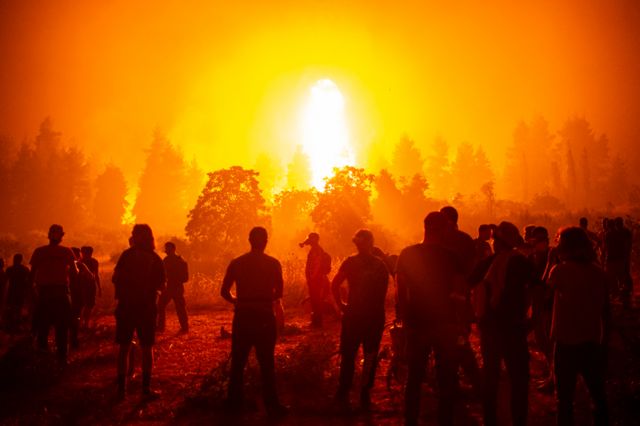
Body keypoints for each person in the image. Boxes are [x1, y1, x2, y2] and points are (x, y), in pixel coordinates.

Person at [397, 211, 461, 426]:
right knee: (446, 380)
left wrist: (405, 322)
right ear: (442, 230)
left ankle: (411, 421)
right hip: (445, 324)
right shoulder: (451, 257)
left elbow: (400, 292)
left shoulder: (408, 254)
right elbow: (458, 292)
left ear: (425, 227)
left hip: (417, 323)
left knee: (414, 378)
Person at [221, 227, 288, 417]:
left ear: (249, 240)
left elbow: (224, 291)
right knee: (267, 364)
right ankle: (272, 406)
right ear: (266, 241)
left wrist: (238, 301)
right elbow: (279, 292)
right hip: (265, 317)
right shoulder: (273, 264)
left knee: (238, 364)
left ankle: (233, 405)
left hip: (243, 317)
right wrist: (264, 298)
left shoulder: (237, 263)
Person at [472, 222, 533, 426]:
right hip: (514, 327)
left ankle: (491, 418)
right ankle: (518, 419)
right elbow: (538, 288)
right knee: (519, 378)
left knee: (491, 375)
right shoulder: (522, 263)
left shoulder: (488, 264)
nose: (493, 242)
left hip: (491, 328)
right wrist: (532, 319)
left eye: (495, 239)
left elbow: (468, 282)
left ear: (500, 241)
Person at [548, 227, 610, 425]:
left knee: (564, 400)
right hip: (592, 340)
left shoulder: (560, 271)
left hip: (566, 342)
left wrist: (550, 263)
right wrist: (605, 341)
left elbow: (542, 295)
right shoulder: (598, 272)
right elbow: (606, 311)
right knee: (598, 396)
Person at [332, 229, 389, 411]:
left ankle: (343, 391)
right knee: (370, 354)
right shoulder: (380, 265)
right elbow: (382, 294)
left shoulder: (350, 262)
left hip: (354, 315)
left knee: (349, 354)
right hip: (373, 316)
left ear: (356, 243)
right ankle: (364, 391)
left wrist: (342, 305)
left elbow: (334, 284)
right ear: (371, 243)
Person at [112, 224, 166, 399]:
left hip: (126, 306)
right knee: (146, 347)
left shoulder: (126, 255)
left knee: (124, 347)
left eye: (134, 234)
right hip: (146, 308)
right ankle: (145, 388)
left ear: (137, 237)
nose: (133, 236)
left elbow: (115, 278)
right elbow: (162, 285)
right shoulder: (154, 258)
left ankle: (122, 389)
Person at [440, 206, 481, 395]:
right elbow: (474, 268)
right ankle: (459, 377)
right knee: (457, 336)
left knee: (457, 337)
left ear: (449, 220)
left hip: (450, 296)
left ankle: (466, 377)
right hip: (458, 295)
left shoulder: (446, 240)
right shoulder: (464, 239)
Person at [29, 224, 78, 366]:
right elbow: (75, 274)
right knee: (62, 328)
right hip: (60, 293)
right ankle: (62, 359)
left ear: (48, 235)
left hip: (44, 294)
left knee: (42, 327)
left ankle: (43, 357)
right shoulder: (67, 252)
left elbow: (32, 275)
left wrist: (33, 293)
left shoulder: (39, 251)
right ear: (62, 236)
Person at [528, 226, 554, 392]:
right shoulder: (531, 257)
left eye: (541, 240)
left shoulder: (553, 256)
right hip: (537, 302)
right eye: (535, 240)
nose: (538, 243)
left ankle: (553, 377)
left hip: (550, 303)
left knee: (550, 339)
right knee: (541, 338)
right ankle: (551, 373)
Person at [300, 232, 331, 327]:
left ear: (314, 240)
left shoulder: (317, 251)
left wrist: (312, 279)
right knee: (315, 301)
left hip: (316, 280)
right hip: (316, 279)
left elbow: (317, 265)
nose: (308, 240)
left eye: (311, 239)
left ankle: (317, 323)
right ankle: (316, 322)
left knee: (316, 301)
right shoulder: (315, 249)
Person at [157, 242, 189, 333]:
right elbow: (186, 278)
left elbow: (162, 276)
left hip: (171, 287)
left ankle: (161, 327)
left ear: (173, 249)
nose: (166, 250)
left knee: (161, 306)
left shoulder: (167, 261)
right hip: (176, 287)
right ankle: (184, 328)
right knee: (180, 308)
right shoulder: (181, 260)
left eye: (167, 248)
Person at [4, 254, 30, 333]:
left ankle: (11, 325)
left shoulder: (9, 269)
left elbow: (5, 280)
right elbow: (28, 280)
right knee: (18, 308)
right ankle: (16, 325)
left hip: (12, 290)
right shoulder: (25, 269)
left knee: (12, 307)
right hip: (20, 291)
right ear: (21, 259)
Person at [79, 246, 101, 329]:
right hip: (84, 285)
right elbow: (96, 275)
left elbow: (96, 275)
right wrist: (99, 288)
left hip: (89, 285)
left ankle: (84, 323)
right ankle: (83, 323)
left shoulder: (92, 262)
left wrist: (99, 287)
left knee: (88, 305)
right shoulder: (80, 262)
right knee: (85, 305)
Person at [614, 217, 633, 310]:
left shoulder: (624, 232)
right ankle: (625, 295)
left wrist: (626, 254)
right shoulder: (620, 232)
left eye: (618, 223)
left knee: (624, 274)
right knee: (623, 274)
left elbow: (628, 244)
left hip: (623, 256)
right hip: (621, 256)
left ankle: (626, 295)